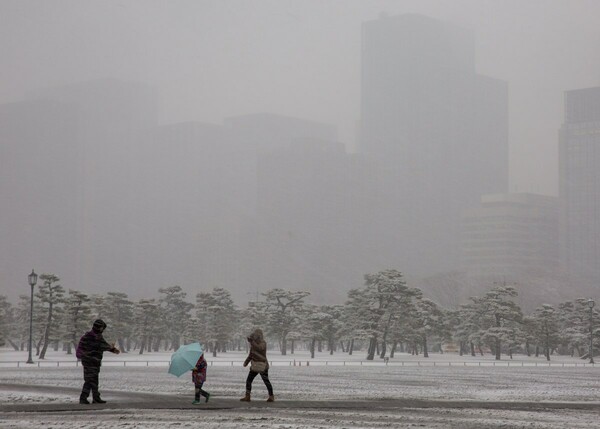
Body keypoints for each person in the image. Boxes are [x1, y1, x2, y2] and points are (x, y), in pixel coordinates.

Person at [76, 319, 120, 404]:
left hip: (93, 362)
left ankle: (95, 398)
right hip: (90, 361)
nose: (102, 330)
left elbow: (102, 345)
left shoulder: (92, 336)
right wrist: (113, 349)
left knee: (93, 380)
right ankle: (84, 398)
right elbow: (102, 345)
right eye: (102, 328)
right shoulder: (93, 337)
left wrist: (112, 349)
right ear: (99, 328)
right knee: (90, 380)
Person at [240, 328, 274, 402]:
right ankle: (247, 396)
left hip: (262, 365)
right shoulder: (253, 344)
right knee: (249, 380)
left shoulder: (263, 343)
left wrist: (252, 342)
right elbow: (251, 354)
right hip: (255, 365)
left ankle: (271, 396)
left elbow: (259, 348)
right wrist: (246, 362)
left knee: (266, 381)